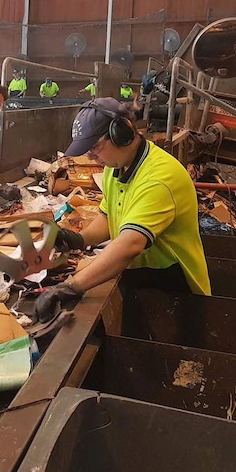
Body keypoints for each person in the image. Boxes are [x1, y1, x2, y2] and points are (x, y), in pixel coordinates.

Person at [36, 97, 210, 320]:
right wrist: (79, 240)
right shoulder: (115, 168)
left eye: (95, 148)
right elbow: (109, 217)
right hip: (143, 278)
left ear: (122, 134)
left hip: (177, 290)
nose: (91, 157)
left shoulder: (159, 178)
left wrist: (70, 287)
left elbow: (130, 245)